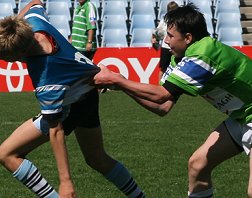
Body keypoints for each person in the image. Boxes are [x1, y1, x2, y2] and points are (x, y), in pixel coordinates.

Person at [0, 0, 145, 197]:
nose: (1, 60)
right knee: (97, 159)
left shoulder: (47, 78)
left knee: (6, 154)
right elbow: (35, 3)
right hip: (88, 95)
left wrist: (66, 181)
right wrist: (14, 24)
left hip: (69, 105)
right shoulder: (34, 22)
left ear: (21, 52)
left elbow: (56, 130)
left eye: (5, 56)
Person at [94, 3, 252, 198]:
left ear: (188, 38)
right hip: (241, 117)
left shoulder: (202, 55)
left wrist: (118, 79)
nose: (166, 41)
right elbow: (163, 107)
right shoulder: (182, 57)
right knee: (197, 165)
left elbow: (162, 95)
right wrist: (121, 85)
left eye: (170, 36)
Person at [151, 1, 179, 81]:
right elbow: (158, 31)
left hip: (172, 47)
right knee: (164, 68)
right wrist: (154, 38)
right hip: (169, 47)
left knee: (166, 68)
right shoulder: (165, 20)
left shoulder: (179, 20)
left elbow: (156, 32)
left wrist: (154, 38)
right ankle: (160, 86)